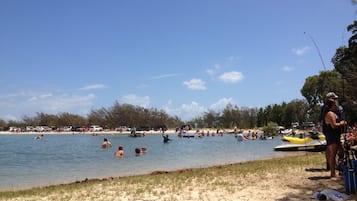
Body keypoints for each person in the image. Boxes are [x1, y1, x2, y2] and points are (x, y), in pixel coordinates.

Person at [322, 92, 347, 178]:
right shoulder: (330, 114)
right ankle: (333, 173)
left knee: (341, 151)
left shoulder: (333, 112)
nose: (336, 104)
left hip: (335, 135)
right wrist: (342, 123)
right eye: (335, 103)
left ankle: (340, 169)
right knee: (333, 154)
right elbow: (333, 125)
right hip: (332, 136)